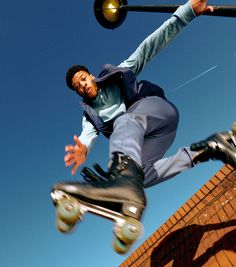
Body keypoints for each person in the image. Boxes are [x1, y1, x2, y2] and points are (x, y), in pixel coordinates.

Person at [53, 0, 236, 224]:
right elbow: (86, 136)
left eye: (82, 79)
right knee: (138, 175)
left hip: (158, 111)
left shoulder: (116, 74)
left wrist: (186, 13)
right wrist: (83, 149)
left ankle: (124, 181)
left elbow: (149, 46)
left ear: (90, 76)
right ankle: (210, 148)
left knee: (124, 122)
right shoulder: (89, 115)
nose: (82, 85)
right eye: (77, 87)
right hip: (154, 139)